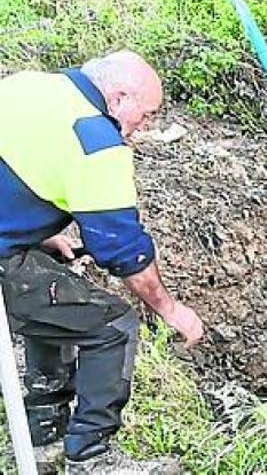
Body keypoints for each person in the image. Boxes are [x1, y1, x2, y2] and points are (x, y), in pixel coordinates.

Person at [0, 51, 204, 474]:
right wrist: (170, 310)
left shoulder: (28, 87)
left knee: (58, 299)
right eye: (146, 114)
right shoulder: (96, 142)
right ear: (119, 96)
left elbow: (18, 167)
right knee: (111, 325)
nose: (146, 126)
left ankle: (44, 433)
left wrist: (30, 225)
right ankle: (91, 456)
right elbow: (122, 248)